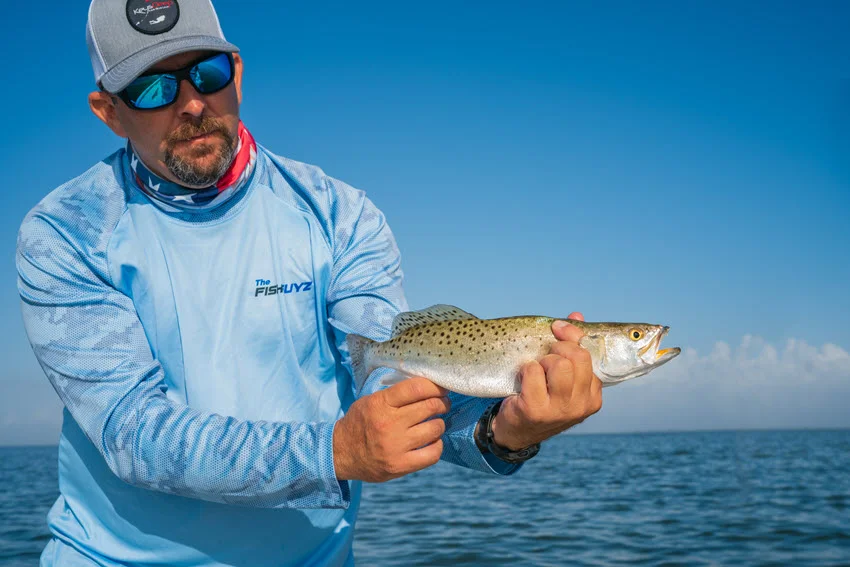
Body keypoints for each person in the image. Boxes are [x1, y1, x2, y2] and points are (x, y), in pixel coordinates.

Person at [16, 1, 603, 565]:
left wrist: (504, 431)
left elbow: (389, 375)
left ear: (237, 73)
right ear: (108, 111)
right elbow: (131, 430)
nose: (191, 103)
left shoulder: (338, 214)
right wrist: (334, 452)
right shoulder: (64, 233)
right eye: (152, 88)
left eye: (207, 72)